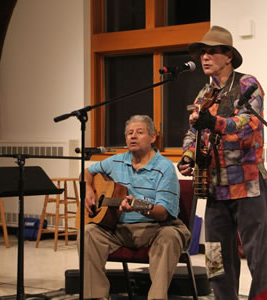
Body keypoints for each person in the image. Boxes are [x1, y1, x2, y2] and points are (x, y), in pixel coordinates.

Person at [178, 26, 267, 300]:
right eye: (202, 53)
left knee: (259, 255)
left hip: (248, 185)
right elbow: (192, 133)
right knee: (215, 256)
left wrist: (216, 122)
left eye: (211, 52)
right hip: (215, 187)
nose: (204, 58)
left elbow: (249, 124)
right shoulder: (203, 95)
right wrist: (188, 155)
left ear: (229, 56)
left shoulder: (248, 84)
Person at [79, 115, 191, 300]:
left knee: (170, 236)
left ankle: (156, 298)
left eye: (139, 132)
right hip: (119, 229)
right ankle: (96, 297)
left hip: (155, 228)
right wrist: (89, 190)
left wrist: (137, 206)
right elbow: (86, 173)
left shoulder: (164, 168)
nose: (133, 137)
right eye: (129, 133)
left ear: (153, 137)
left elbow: (163, 213)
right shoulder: (116, 161)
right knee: (88, 232)